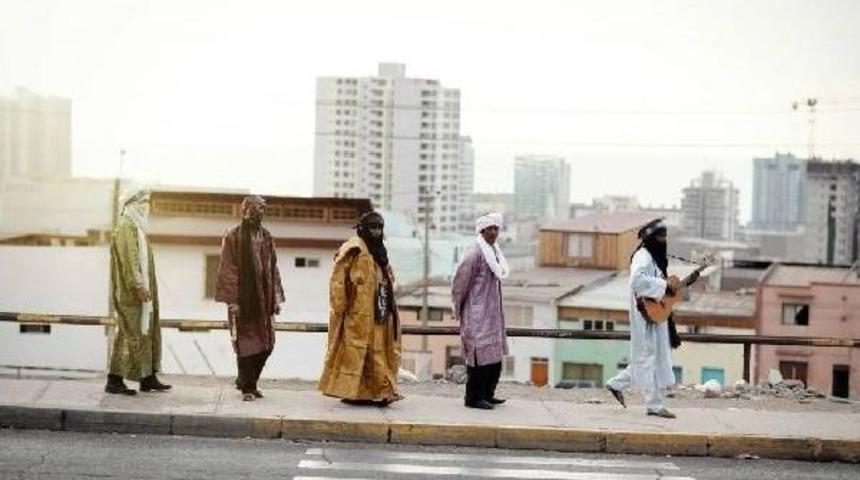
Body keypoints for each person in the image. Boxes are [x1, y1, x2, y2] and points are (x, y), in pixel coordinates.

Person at [606, 218, 695, 418]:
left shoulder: (654, 258)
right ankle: (654, 405)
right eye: (660, 237)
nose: (664, 241)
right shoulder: (643, 256)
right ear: (651, 239)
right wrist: (664, 286)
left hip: (657, 315)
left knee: (647, 357)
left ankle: (616, 384)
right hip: (645, 316)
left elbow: (664, 287)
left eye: (665, 237)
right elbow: (637, 281)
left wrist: (678, 285)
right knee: (649, 357)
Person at [318, 211, 402, 406]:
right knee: (357, 354)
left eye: (379, 227)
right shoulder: (353, 249)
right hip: (357, 314)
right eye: (372, 227)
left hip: (380, 311)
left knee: (378, 352)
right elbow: (338, 281)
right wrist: (340, 309)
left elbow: (389, 277)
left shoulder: (380, 251)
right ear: (363, 228)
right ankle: (356, 393)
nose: (376, 231)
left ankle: (380, 391)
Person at [215, 195, 285, 401]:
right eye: (255, 209)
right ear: (245, 211)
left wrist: (276, 298)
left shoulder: (266, 236)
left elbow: (273, 268)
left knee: (267, 344)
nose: (259, 213)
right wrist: (233, 301)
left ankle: (245, 380)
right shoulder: (233, 236)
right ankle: (248, 387)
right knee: (245, 344)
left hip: (264, 301)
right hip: (243, 301)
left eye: (262, 209)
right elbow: (228, 270)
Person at [105, 187, 171, 395]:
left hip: (143, 292)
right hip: (131, 293)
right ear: (131, 204)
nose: (146, 207)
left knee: (145, 332)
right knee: (129, 334)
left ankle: (148, 377)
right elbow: (130, 260)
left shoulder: (137, 226)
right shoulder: (126, 226)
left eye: (147, 202)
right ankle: (114, 380)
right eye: (142, 202)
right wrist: (139, 285)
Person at [451, 213, 509, 410]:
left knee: (494, 358)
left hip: (492, 315)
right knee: (478, 359)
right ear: (481, 231)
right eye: (489, 229)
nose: (493, 232)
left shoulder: (494, 251)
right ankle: (473, 398)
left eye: (496, 229)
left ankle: (487, 394)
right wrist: (456, 307)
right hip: (476, 315)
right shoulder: (474, 252)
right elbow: (460, 282)